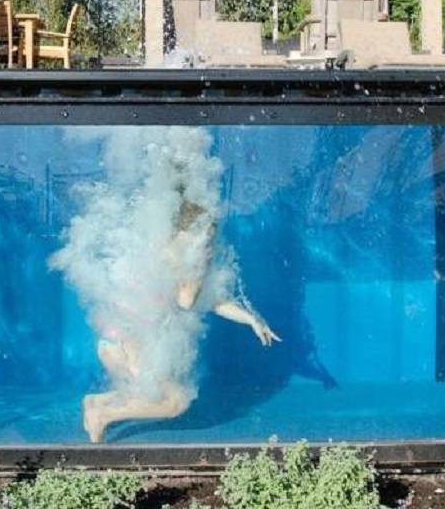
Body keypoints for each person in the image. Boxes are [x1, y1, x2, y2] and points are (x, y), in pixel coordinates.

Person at [49, 127, 280, 444]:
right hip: (130, 343)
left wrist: (251, 319)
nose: (210, 247)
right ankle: (103, 416)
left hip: (115, 339)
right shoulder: (181, 261)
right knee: (176, 402)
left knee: (144, 392)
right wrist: (199, 272)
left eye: (211, 239)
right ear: (189, 234)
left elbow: (212, 300)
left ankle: (97, 402)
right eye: (207, 239)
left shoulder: (162, 246)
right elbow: (187, 301)